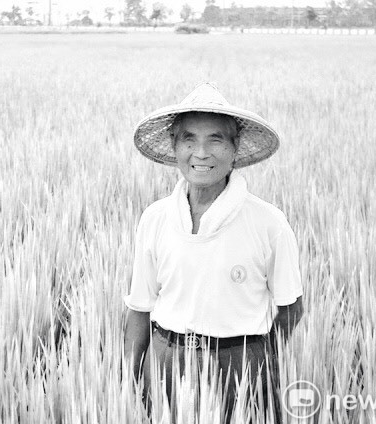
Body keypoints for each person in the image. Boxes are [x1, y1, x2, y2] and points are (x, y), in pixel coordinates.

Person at [123, 83, 304, 423]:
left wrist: (260, 361)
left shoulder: (268, 223)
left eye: (215, 140)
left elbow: (292, 307)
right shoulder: (155, 218)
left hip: (240, 362)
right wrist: (129, 379)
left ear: (235, 148)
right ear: (175, 146)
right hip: (165, 359)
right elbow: (139, 307)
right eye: (189, 139)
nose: (201, 153)